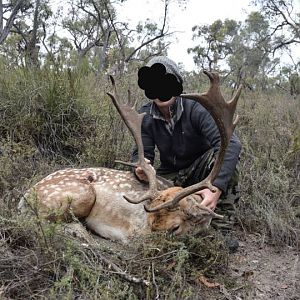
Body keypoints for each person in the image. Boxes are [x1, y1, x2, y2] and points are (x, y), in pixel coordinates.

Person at [131, 56, 242, 238]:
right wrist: (141, 165)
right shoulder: (145, 114)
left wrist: (215, 187)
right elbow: (140, 152)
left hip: (201, 172)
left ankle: (222, 228)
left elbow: (231, 145)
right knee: (143, 185)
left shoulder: (197, 108)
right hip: (170, 175)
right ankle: (162, 230)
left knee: (225, 159)